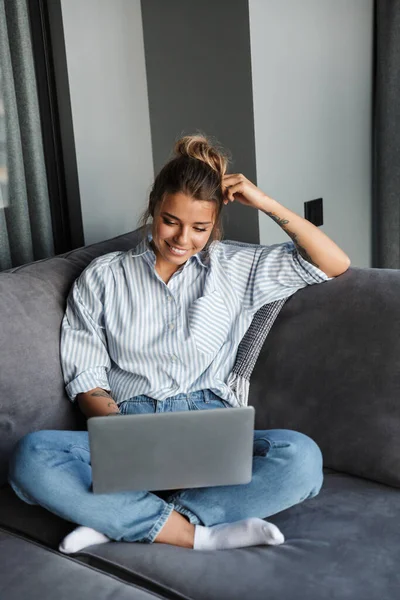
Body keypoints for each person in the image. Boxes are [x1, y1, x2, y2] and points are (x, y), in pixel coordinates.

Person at [8, 134, 350, 553]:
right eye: (171, 220)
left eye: (199, 227)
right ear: (153, 206)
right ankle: (197, 534)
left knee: (301, 458)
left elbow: (334, 264)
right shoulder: (103, 276)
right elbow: (87, 377)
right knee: (32, 457)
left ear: (215, 224)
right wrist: (128, 443)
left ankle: (122, 519)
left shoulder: (234, 267)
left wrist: (267, 203)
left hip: (211, 427)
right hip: (127, 421)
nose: (182, 238)